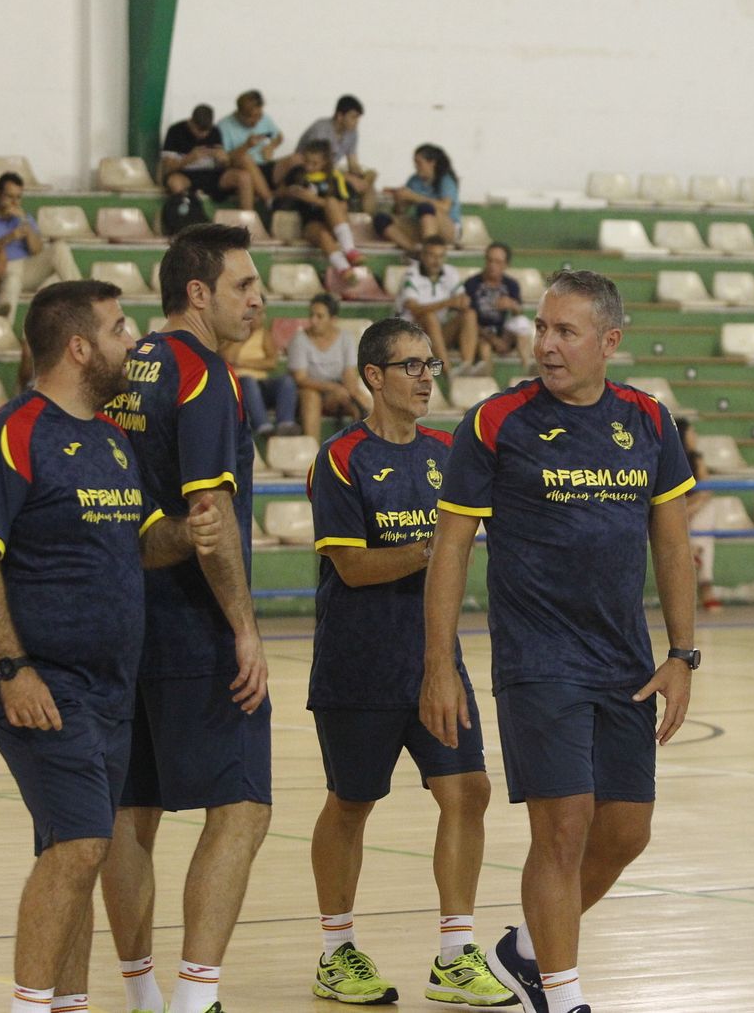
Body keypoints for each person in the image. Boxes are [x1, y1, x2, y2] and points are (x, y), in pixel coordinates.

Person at [422, 269, 701, 1013]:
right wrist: (438, 664)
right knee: (565, 823)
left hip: (623, 661)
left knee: (626, 830)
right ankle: (565, 996)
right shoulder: (494, 422)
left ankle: (523, 950)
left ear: (609, 341)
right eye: (542, 328)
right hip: (537, 659)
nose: (545, 344)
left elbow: (671, 543)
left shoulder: (648, 420)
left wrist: (683, 653)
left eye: (565, 331)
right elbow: (450, 547)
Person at [0, 279, 223, 1013]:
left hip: (110, 689)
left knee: (72, 849)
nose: (132, 341)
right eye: (117, 328)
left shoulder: (109, 441)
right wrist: (13, 668)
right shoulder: (11, 433)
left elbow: (134, 543)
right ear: (78, 346)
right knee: (78, 847)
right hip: (43, 684)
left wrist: (183, 535)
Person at [303, 317, 513, 1007]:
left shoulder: (447, 451)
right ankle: (337, 951)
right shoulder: (339, 460)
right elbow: (353, 565)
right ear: (373, 376)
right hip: (358, 662)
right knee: (352, 802)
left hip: (435, 661)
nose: (428, 377)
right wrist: (439, 549)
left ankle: (455, 954)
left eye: (431, 364)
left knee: (468, 790)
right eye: (412, 365)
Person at [98, 223, 271, 1013]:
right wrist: (243, 624)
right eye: (244, 284)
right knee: (242, 807)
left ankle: (142, 993)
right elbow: (210, 512)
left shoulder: (127, 362)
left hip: (118, 614)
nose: (259, 299)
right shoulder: (205, 375)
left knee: (133, 810)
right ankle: (195, 1000)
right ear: (197, 293)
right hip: (188, 623)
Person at [0, 172, 62, 316]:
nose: (14, 202)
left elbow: (36, 250)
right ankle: (2, 329)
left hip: (28, 267)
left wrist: (24, 223)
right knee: (13, 281)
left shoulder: (24, 217)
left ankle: (84, 296)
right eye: (10, 197)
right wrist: (10, 237)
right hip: (4, 268)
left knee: (60, 248)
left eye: (18, 197)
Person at [274, 139, 364, 274]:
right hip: (310, 224)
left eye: (314, 163)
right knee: (322, 235)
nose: (309, 167)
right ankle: (344, 269)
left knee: (331, 202)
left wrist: (314, 199)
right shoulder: (297, 173)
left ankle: (349, 250)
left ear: (325, 162)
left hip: (334, 222)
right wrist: (291, 192)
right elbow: (278, 193)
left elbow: (343, 206)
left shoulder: (334, 177)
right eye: (306, 162)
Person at [287, 292, 371, 437]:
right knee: (311, 396)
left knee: (362, 399)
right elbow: (301, 379)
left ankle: (364, 448)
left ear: (333, 320)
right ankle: (314, 451)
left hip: (337, 390)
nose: (313, 320)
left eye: (319, 316)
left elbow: (350, 374)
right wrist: (333, 387)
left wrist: (351, 394)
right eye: (311, 315)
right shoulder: (299, 339)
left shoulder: (346, 338)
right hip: (309, 390)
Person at [396, 236, 478, 375]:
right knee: (429, 317)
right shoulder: (411, 275)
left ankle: (466, 367)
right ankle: (447, 372)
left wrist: (463, 302)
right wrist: (448, 302)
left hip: (437, 336)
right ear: (422, 255)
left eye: (440, 256)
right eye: (432, 255)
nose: (436, 261)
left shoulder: (450, 272)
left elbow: (462, 299)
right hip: (411, 337)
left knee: (470, 314)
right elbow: (415, 309)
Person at [160, 103, 256, 213]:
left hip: (212, 175)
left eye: (206, 131)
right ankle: (186, 216)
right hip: (186, 174)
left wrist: (223, 160)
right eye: (199, 130)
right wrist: (188, 159)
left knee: (244, 177)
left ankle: (248, 218)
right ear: (191, 122)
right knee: (175, 183)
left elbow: (225, 164)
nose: (203, 134)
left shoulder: (215, 132)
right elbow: (167, 167)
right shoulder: (175, 131)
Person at [219, 309, 298, 437]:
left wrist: (243, 363)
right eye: (258, 314)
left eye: (262, 314)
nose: (262, 318)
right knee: (248, 381)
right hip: (239, 386)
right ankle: (263, 426)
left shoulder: (264, 335)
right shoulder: (231, 333)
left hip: (261, 384)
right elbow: (229, 358)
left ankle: (285, 424)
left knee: (286, 381)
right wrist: (247, 333)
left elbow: (272, 363)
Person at [294, 94, 376, 211]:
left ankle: (366, 220)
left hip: (332, 172)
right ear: (340, 116)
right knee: (347, 184)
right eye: (353, 117)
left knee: (369, 187)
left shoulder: (352, 133)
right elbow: (316, 163)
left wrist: (363, 176)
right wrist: (346, 177)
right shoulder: (321, 129)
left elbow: (353, 163)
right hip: (310, 172)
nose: (357, 122)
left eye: (358, 118)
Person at [374, 144, 461, 253]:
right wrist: (400, 200)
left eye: (419, 163)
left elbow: (445, 207)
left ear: (432, 163)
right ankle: (414, 251)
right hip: (421, 225)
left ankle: (429, 252)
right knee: (381, 220)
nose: (416, 166)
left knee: (426, 208)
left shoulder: (445, 180)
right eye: (415, 163)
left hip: (447, 228)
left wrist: (414, 197)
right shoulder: (414, 180)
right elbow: (401, 213)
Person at [463, 243, 534, 373]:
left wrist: (513, 305)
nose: (492, 265)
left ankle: (528, 369)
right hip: (480, 333)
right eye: (489, 260)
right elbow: (468, 320)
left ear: (506, 265)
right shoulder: (472, 284)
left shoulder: (511, 284)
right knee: (484, 347)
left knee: (522, 325)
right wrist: (494, 340)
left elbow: (518, 313)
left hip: (502, 332)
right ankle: (490, 385)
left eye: (497, 262)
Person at [675, 417, 721, 612]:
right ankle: (707, 587)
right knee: (705, 535)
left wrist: (689, 510)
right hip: (673, 511)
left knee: (708, 511)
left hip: (692, 511)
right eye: (692, 432)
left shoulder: (697, 459)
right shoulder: (668, 459)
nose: (696, 436)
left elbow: (706, 491)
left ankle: (694, 550)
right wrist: (684, 510)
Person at [216, 90, 282, 207]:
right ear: (240, 114)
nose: (257, 121)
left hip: (264, 165)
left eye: (259, 116)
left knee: (296, 159)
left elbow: (279, 136)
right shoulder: (224, 126)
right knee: (244, 158)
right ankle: (270, 201)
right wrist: (246, 146)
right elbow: (224, 159)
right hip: (241, 167)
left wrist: (271, 146)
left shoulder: (264, 119)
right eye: (252, 117)